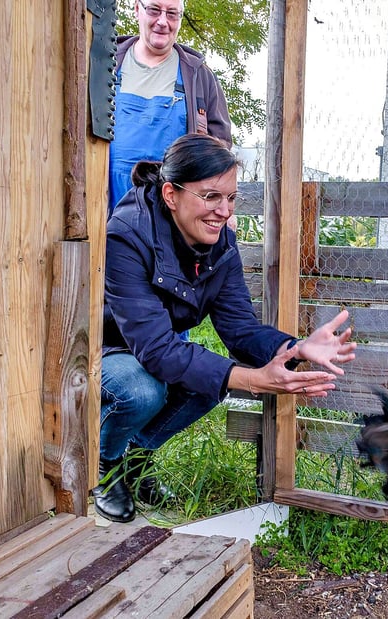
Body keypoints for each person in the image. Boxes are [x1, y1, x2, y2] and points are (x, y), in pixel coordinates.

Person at [95, 134, 356, 522]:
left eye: (231, 198)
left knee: (208, 385)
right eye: (211, 197)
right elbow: (156, 350)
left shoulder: (221, 246)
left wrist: (297, 347)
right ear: (171, 194)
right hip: (104, 350)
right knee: (141, 390)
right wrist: (251, 379)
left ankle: (137, 457)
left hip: (153, 347)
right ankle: (105, 465)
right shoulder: (126, 235)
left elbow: (239, 330)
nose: (224, 211)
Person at [109, 0, 233, 213]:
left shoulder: (199, 77)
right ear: (137, 10)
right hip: (109, 214)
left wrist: (221, 206)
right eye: (154, 10)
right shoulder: (107, 65)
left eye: (172, 14)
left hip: (175, 220)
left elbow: (220, 151)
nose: (162, 22)